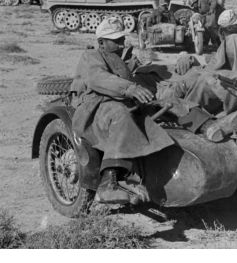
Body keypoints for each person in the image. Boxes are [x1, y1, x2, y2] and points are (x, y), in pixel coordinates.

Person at [71, 17, 175, 204]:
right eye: (116, 40)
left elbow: (145, 73)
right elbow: (97, 78)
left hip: (122, 101)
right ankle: (109, 182)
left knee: (171, 105)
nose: (121, 43)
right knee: (120, 114)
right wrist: (129, 89)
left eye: (122, 39)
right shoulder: (92, 56)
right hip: (95, 106)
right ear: (101, 42)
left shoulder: (124, 58)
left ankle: (209, 126)